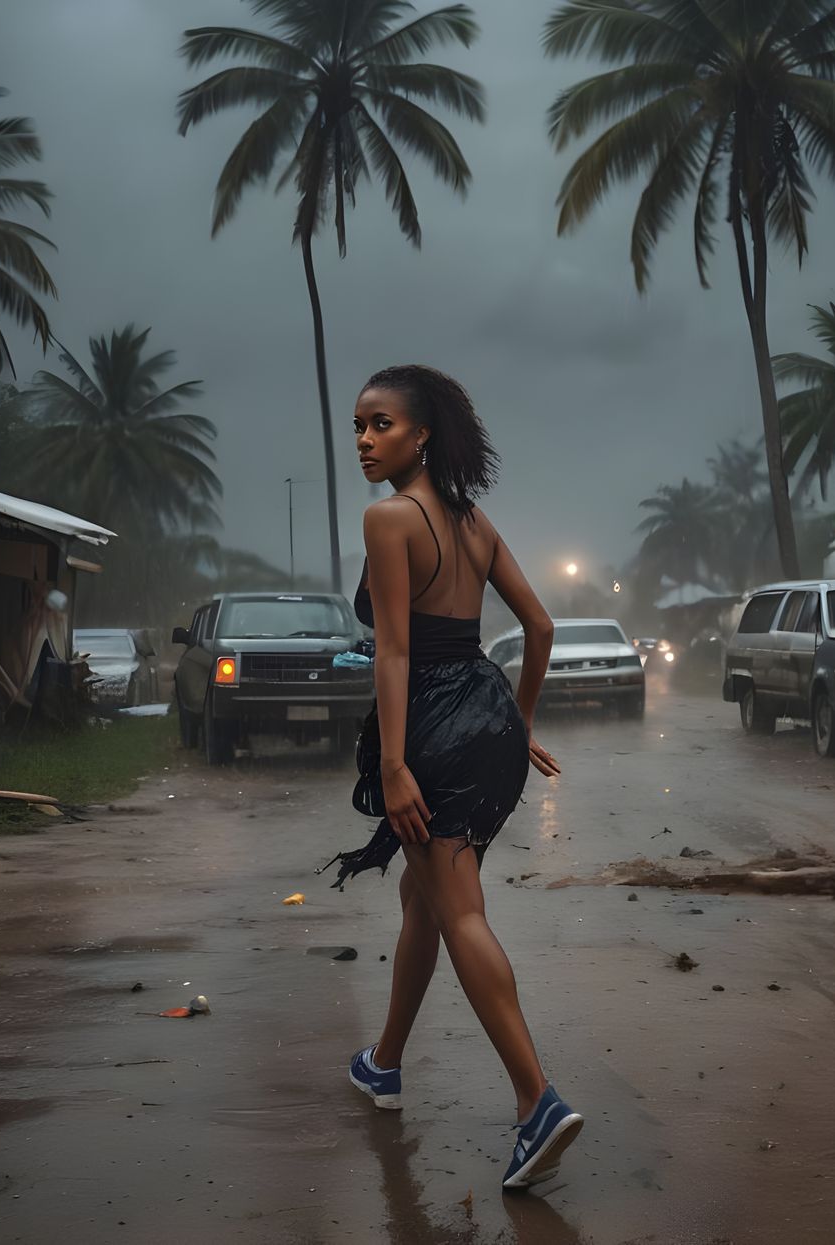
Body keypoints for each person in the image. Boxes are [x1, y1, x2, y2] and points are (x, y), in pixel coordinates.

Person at [323, 364, 583, 1192]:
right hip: (486, 712)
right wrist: (518, 723)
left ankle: (536, 1101)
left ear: (422, 433)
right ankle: (385, 1062)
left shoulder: (390, 519)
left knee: (459, 907)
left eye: (381, 424)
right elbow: (538, 627)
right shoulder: (472, 521)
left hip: (432, 726)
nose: (364, 439)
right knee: (424, 897)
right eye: (358, 425)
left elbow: (394, 651)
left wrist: (395, 765)